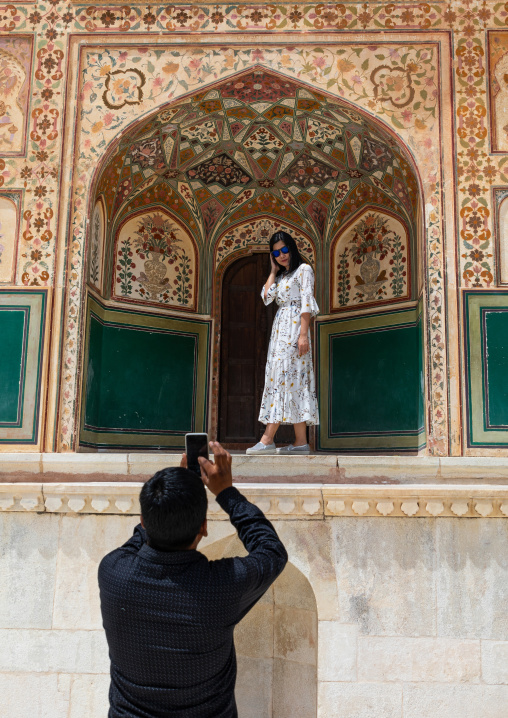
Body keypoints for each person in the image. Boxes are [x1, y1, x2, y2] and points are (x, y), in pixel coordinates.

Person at [98, 441, 288, 718]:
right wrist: (226, 493)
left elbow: (141, 534)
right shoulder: (221, 587)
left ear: (143, 518)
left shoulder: (113, 573)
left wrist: (167, 496)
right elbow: (271, 551)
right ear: (204, 528)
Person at [247, 230, 319, 456]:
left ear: (292, 248)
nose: (282, 255)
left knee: (285, 378)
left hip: (295, 331)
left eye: (285, 249)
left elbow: (307, 302)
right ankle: (300, 442)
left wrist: (303, 335)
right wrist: (272, 270)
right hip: (280, 333)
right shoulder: (281, 277)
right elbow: (266, 297)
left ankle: (267, 439)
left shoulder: (304, 270)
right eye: (276, 252)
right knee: (289, 379)